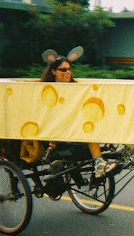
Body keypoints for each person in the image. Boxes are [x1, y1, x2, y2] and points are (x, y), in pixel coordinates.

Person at [40, 47, 117, 178]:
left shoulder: (76, 89)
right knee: (89, 130)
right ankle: (98, 162)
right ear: (53, 71)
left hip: (73, 127)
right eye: (63, 70)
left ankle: (101, 161)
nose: (68, 72)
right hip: (57, 132)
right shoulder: (46, 91)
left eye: (69, 69)